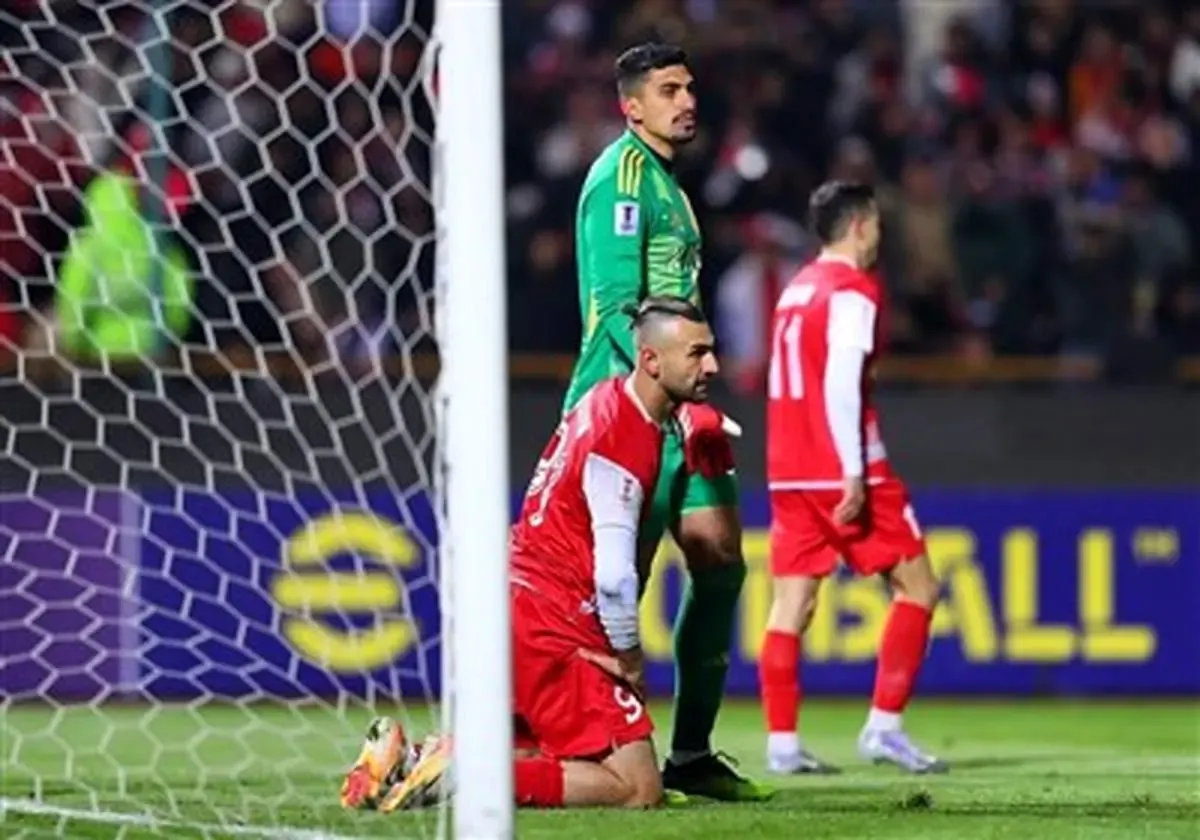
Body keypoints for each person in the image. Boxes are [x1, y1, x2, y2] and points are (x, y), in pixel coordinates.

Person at [341, 296, 725, 811]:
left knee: (529, 752)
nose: (712, 366)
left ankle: (405, 762)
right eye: (697, 353)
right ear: (651, 360)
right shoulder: (625, 437)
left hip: (515, 596)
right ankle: (469, 774)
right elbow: (614, 576)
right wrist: (630, 657)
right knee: (638, 787)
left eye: (710, 351)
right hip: (553, 621)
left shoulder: (604, 399)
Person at [564, 41, 765, 801]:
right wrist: (665, 402)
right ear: (632, 105)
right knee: (624, 580)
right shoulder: (619, 179)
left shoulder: (669, 187)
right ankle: (600, 751)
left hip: (682, 402)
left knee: (720, 560)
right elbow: (618, 309)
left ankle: (692, 753)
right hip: (626, 405)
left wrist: (692, 395)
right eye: (670, 90)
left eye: (689, 88)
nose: (687, 101)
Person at [758, 181, 948, 775]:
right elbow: (840, 381)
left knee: (791, 605)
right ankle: (884, 728)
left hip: (787, 469)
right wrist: (852, 469)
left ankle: (782, 744)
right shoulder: (852, 290)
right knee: (918, 588)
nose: (878, 239)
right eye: (878, 227)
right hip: (840, 464)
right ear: (861, 226)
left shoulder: (796, 290)